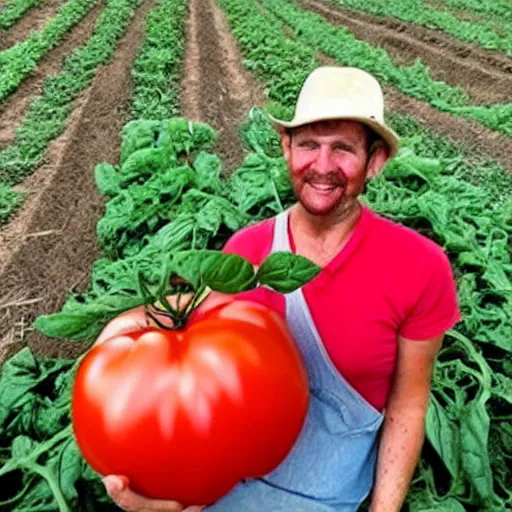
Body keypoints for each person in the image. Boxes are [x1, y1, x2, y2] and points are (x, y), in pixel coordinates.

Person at [100, 66, 461, 511]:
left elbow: (407, 403)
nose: (323, 166)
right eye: (308, 144)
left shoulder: (420, 266)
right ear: (287, 148)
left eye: (343, 149)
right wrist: (123, 328)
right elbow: (206, 323)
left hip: (329, 492)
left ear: (376, 160)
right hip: (228, 480)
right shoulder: (247, 249)